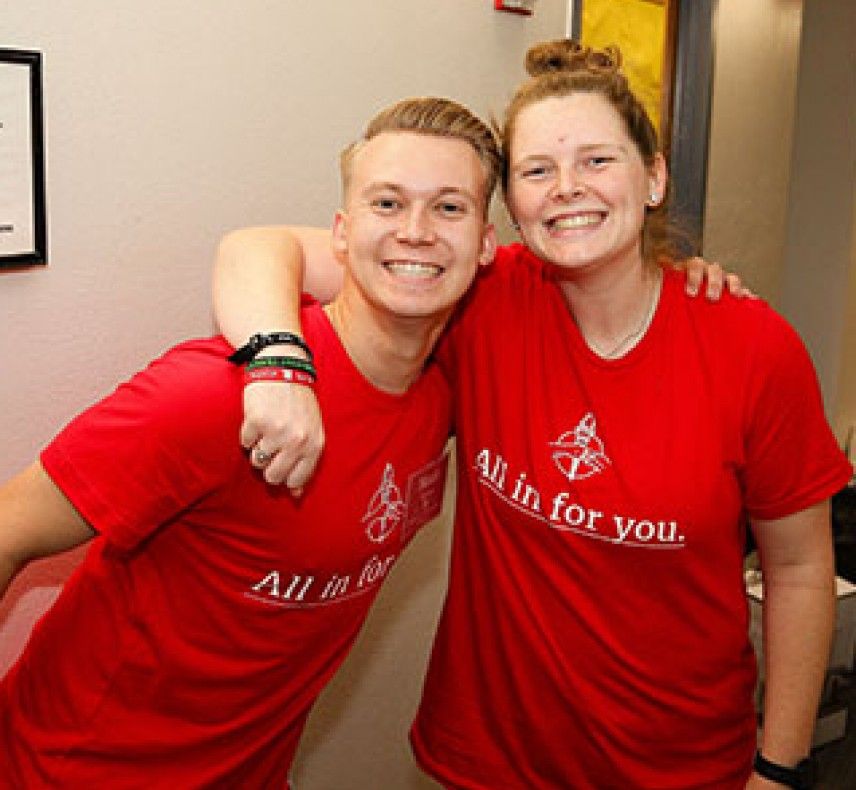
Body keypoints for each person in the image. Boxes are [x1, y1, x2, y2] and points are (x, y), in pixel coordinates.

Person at [212, 40, 852, 789]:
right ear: (508, 206)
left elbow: (802, 568)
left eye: (597, 162)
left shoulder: (751, 346)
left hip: (681, 766)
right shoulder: (478, 299)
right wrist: (277, 362)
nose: (566, 189)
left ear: (653, 178)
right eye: (537, 171)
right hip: (488, 760)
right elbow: (254, 250)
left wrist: (778, 766)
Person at [0, 97, 501, 787]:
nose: (415, 231)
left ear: (485, 242)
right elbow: (6, 529)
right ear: (340, 233)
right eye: (387, 204)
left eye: (449, 208)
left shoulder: (443, 392)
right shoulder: (209, 398)